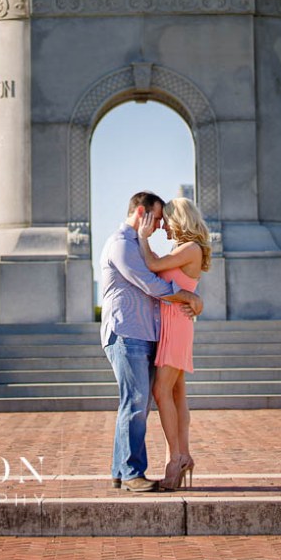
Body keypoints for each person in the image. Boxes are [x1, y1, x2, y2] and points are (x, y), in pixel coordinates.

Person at [100, 190, 204, 492]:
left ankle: (124, 470)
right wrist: (188, 297)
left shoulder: (139, 245)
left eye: (164, 220)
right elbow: (149, 282)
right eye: (157, 218)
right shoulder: (122, 244)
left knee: (140, 401)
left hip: (148, 333)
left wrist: (193, 300)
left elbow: (159, 270)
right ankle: (133, 472)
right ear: (141, 212)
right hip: (126, 331)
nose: (160, 225)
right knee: (137, 401)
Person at [137, 196, 211, 490]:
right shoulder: (183, 248)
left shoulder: (190, 248)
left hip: (177, 325)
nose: (162, 226)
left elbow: (153, 265)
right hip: (172, 322)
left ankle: (176, 458)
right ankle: (182, 454)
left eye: (166, 220)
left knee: (161, 390)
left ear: (179, 219)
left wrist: (142, 239)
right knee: (177, 393)